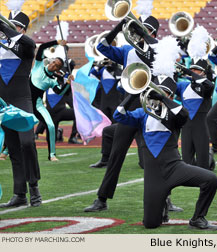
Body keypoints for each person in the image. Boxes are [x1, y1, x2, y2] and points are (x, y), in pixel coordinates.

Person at [113, 76, 217, 229]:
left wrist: (163, 97)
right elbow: (118, 115)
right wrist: (132, 95)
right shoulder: (142, 113)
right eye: (156, 91)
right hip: (153, 176)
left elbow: (183, 115)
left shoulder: (176, 113)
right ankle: (161, 205)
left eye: (164, 92)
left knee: (211, 179)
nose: (157, 94)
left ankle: (198, 218)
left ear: (170, 96)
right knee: (150, 224)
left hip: (174, 168)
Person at [84, 16, 160, 211]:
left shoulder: (159, 50)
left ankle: (165, 198)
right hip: (129, 107)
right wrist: (119, 26)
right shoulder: (127, 51)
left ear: (153, 33)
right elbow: (102, 47)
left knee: (155, 157)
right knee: (116, 155)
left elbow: (154, 49)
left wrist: (145, 34)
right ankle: (101, 199)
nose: (140, 34)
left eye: (146, 31)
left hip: (151, 108)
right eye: (139, 31)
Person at [0, 11, 41, 207]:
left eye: (15, 26)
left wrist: (2, 27)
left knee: (26, 142)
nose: (11, 29)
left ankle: (34, 187)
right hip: (3, 103)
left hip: (21, 100)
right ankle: (19, 194)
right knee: (13, 147)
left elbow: (29, 45)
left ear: (23, 29)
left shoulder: (25, 46)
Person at [29, 39, 74, 161]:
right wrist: (57, 42)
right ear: (51, 60)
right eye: (54, 62)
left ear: (57, 69)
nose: (53, 65)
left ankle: (52, 154)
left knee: (50, 125)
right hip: (25, 102)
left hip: (37, 105)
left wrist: (68, 83)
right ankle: (5, 151)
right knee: (15, 124)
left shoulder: (53, 81)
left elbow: (60, 92)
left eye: (57, 66)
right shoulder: (39, 64)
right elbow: (43, 46)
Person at [176, 59, 215, 169]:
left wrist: (190, 73)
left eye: (196, 70)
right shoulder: (184, 85)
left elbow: (209, 86)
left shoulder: (207, 85)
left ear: (203, 72)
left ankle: (210, 159)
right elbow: (170, 87)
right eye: (192, 69)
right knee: (186, 163)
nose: (193, 71)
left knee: (203, 165)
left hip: (201, 125)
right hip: (187, 126)